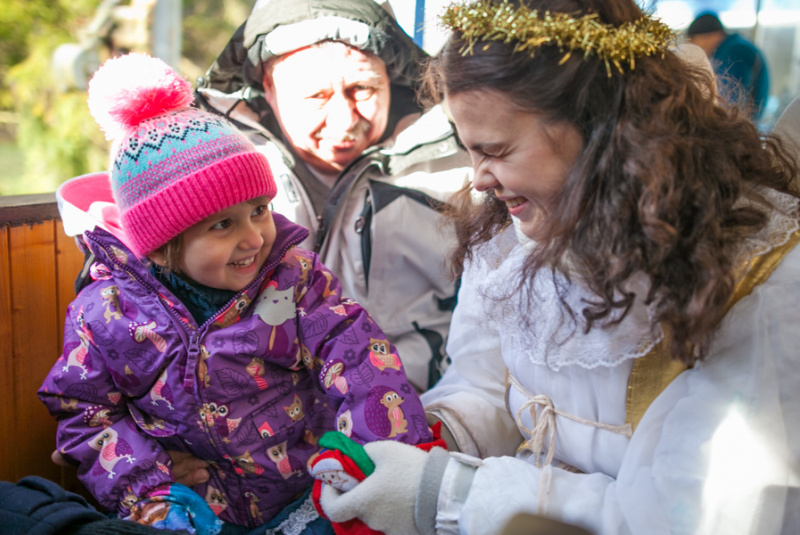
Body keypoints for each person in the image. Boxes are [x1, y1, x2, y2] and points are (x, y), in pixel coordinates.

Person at [313, 1, 800, 534]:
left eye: (495, 150)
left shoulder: (759, 282)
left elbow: (685, 517)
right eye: (467, 149)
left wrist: (442, 490)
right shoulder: (511, 233)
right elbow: (484, 383)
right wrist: (428, 438)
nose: (478, 179)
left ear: (603, 132)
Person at [38, 53, 433, 534]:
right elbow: (86, 413)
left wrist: (383, 458)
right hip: (195, 509)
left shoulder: (295, 282)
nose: (253, 238)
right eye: (222, 224)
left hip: (308, 493)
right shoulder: (107, 316)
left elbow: (360, 359)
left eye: (260, 210)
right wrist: (147, 486)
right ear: (162, 245)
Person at [194, 0, 472, 394]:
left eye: (362, 89)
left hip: (422, 405)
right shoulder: (208, 165)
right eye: (316, 97)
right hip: (259, 421)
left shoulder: (461, 160)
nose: (345, 120)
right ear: (268, 88)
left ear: (391, 79)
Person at [687, 11, 770, 121]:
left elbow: (730, 97)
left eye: (693, 40)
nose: (693, 46)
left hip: (741, 124)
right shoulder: (733, 46)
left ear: (709, 36)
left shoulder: (734, 50)